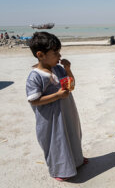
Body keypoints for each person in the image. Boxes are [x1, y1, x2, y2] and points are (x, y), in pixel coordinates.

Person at [26, 32, 87, 181]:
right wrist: (57, 96)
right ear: (41, 55)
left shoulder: (58, 69)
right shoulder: (35, 76)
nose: (59, 56)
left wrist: (68, 69)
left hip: (66, 111)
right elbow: (34, 100)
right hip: (51, 119)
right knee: (56, 142)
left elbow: (71, 85)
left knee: (72, 134)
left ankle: (76, 160)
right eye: (56, 53)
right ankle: (61, 170)